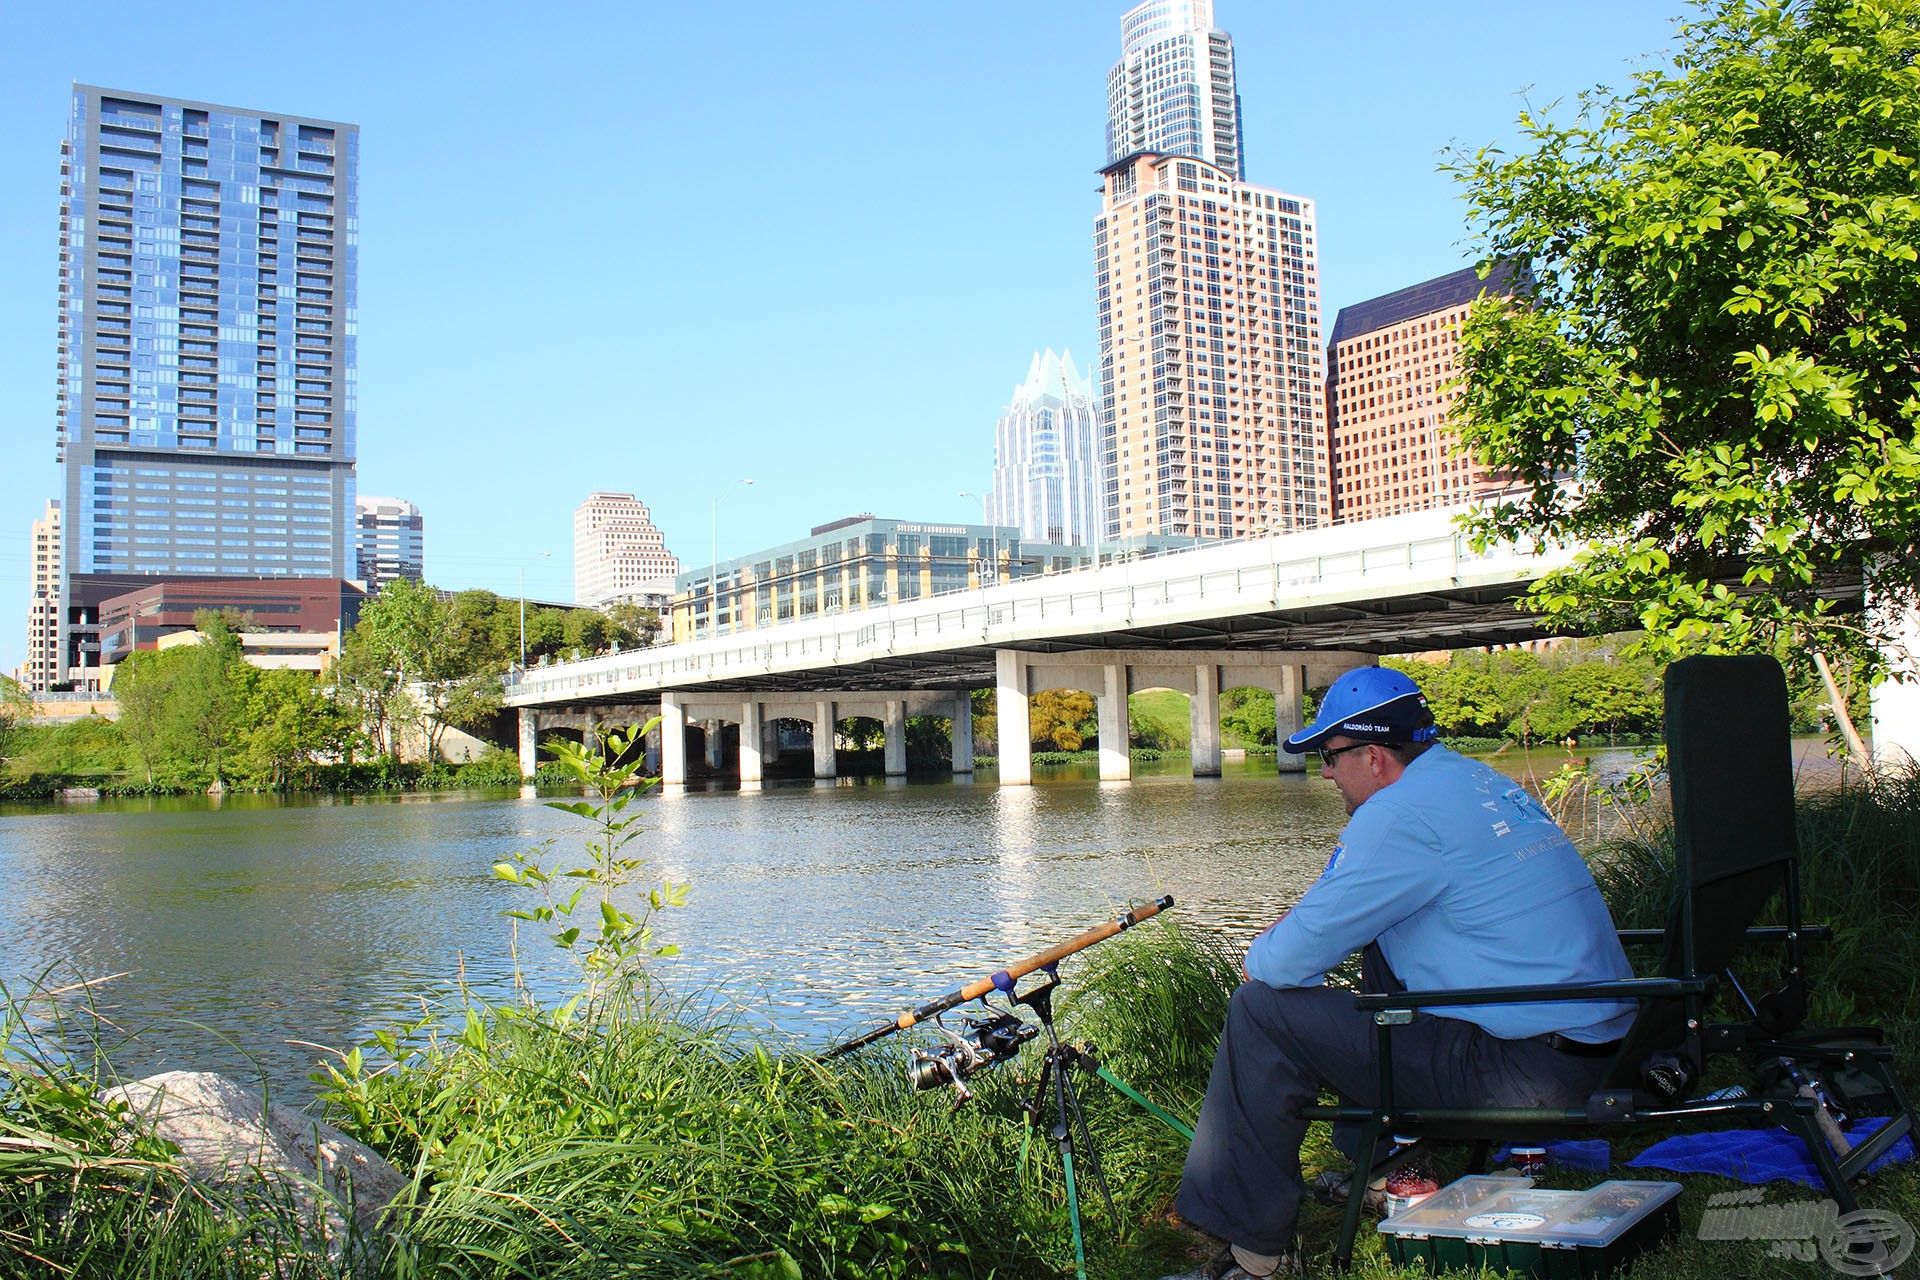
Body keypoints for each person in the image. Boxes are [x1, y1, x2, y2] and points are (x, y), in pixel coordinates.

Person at [1166, 666, 1635, 1278]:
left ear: (1377, 758)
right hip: (1604, 1048)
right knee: (1384, 944)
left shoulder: (1398, 815)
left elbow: (1280, 963)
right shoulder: (1474, 780)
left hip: (1529, 1074)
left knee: (1262, 1011)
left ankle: (1257, 1256)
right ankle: (1388, 1167)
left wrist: (1270, 953)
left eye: (1330, 756)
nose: (1326, 772)